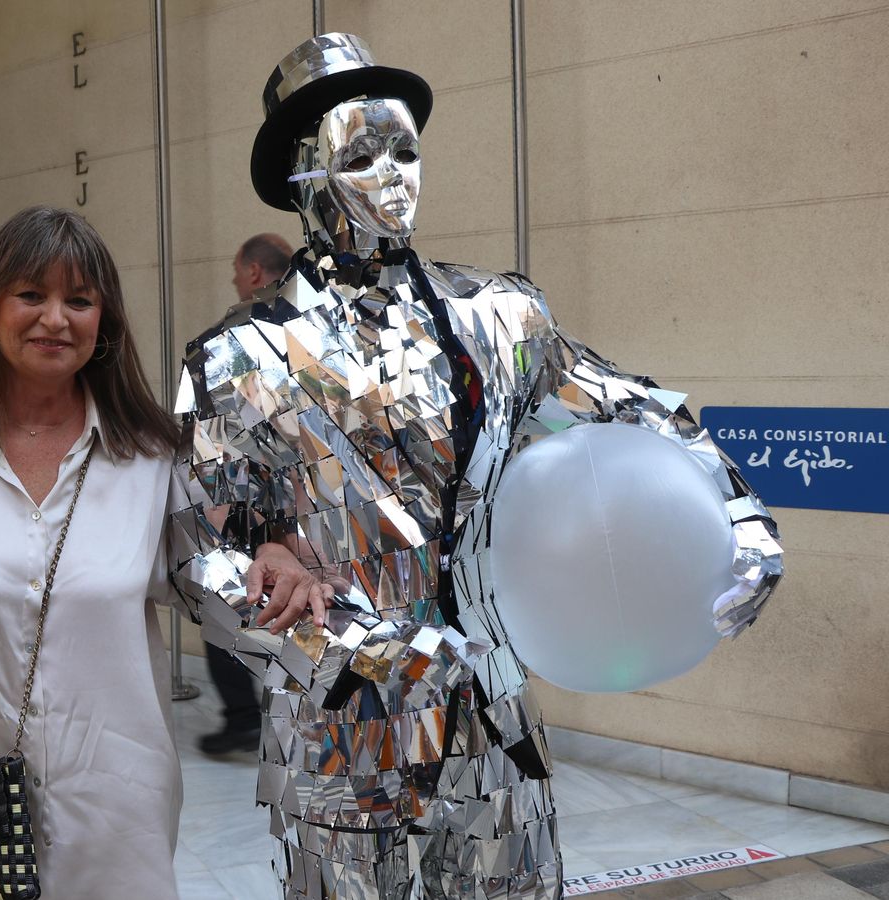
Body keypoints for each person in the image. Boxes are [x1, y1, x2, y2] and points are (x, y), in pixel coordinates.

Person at [168, 34, 783, 899]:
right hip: (340, 730)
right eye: (361, 154)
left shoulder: (499, 318)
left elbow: (634, 404)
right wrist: (348, 650)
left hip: (493, 721)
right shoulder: (240, 357)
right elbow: (195, 554)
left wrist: (741, 513)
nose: (395, 174)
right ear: (305, 176)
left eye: (406, 149)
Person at [0, 206, 321, 898]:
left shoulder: (150, 455)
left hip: (114, 820)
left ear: (105, 321)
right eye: (32, 294)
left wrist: (277, 550)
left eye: (79, 300)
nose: (55, 318)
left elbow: (221, 570)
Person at [198, 231, 295, 756]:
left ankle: (243, 718)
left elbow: (220, 438)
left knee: (225, 603)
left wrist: (217, 519)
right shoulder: (324, 330)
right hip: (321, 516)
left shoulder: (233, 340)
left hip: (252, 504)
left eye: (238, 270)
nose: (236, 280)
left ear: (256, 272)